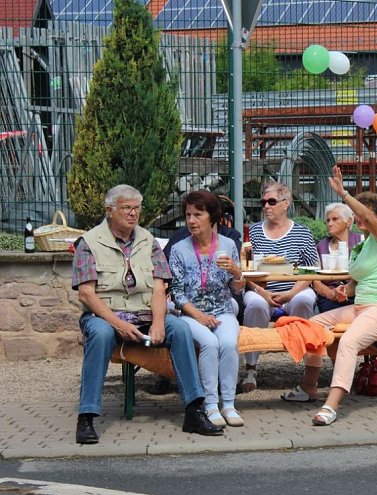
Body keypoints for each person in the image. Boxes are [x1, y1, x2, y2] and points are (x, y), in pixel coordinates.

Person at [72, 184, 223, 444]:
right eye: (126, 208)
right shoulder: (89, 243)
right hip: (106, 316)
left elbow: (159, 287)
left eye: (137, 208)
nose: (133, 213)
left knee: (181, 329)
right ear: (110, 211)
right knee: (98, 333)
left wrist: (159, 321)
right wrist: (117, 324)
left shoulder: (148, 241)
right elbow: (86, 294)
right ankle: (86, 417)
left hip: (144, 314)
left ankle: (193, 411)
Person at [297, 166, 377, 424]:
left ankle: (331, 406)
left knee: (348, 341)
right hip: (361, 306)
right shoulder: (361, 247)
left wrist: (344, 194)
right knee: (313, 325)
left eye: (365, 214)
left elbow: (366, 215)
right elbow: (355, 284)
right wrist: (344, 290)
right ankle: (309, 385)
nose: (360, 218)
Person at [168, 191, 246, 428]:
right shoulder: (179, 249)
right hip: (191, 313)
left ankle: (229, 405)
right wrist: (199, 316)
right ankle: (211, 405)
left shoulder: (228, 245)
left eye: (198, 214)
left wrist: (235, 271)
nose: (191, 220)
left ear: (212, 217)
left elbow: (237, 288)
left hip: (222, 310)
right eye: (188, 215)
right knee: (210, 344)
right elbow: (177, 294)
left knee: (229, 344)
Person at [242, 181, 319, 391]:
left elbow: (312, 270)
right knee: (255, 304)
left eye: (272, 201)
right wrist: (262, 291)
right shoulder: (254, 232)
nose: (266, 206)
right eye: (263, 202)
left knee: (304, 299)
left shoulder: (302, 233)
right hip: (261, 290)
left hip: (294, 291)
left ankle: (307, 366)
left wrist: (291, 292)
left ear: (286, 203)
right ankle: (251, 367)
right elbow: (245, 270)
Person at [311, 202, 362, 314]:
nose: (330, 223)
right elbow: (315, 280)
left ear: (348, 222)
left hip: (357, 295)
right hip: (329, 297)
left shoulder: (361, 242)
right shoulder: (321, 246)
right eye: (328, 220)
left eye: (335, 219)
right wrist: (331, 294)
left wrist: (347, 292)